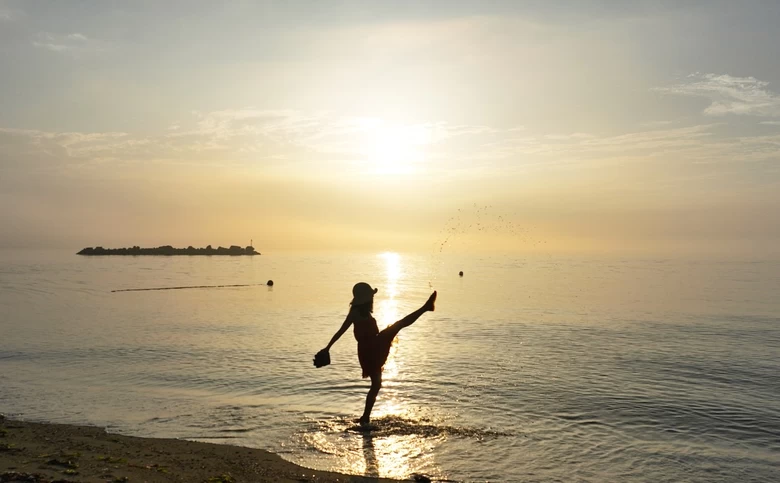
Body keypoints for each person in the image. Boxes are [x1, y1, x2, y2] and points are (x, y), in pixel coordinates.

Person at [316, 282, 437, 426]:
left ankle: (365, 417)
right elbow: (341, 330)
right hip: (369, 349)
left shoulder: (365, 312)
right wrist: (328, 348)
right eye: (370, 296)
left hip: (375, 344)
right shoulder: (355, 312)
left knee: (376, 384)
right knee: (398, 326)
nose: (372, 299)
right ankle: (425, 308)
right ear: (364, 298)